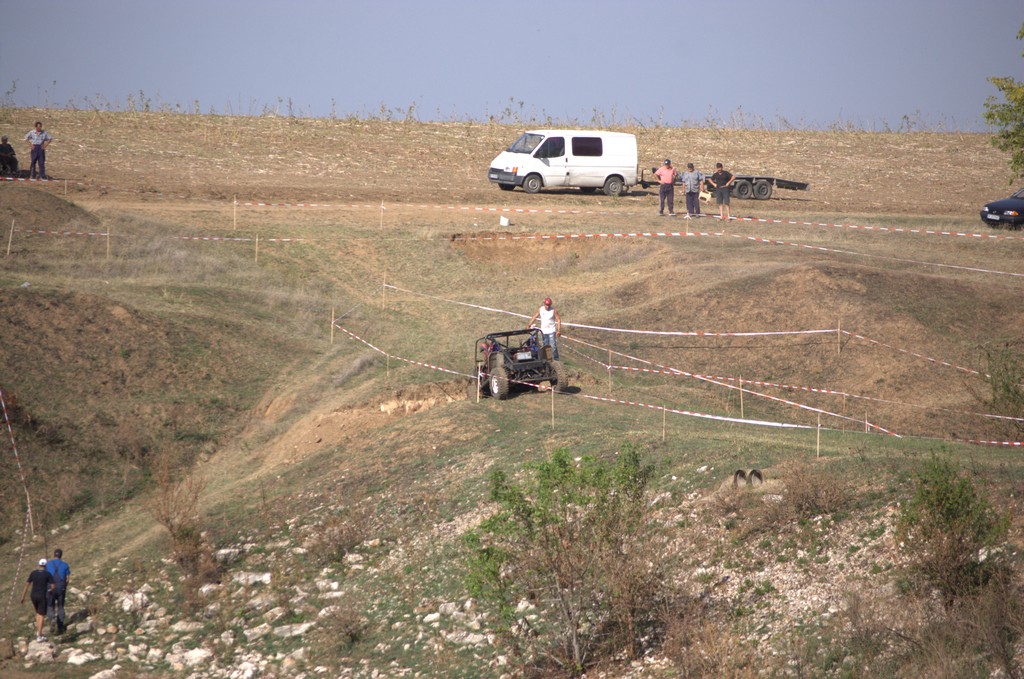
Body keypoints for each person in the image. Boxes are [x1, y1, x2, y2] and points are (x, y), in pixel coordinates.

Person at [21, 558, 54, 642]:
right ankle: (39, 635)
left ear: (39, 565)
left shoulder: (33, 573)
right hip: (42, 596)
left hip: (33, 595)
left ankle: (38, 632)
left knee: (37, 613)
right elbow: (53, 586)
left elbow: (27, 584)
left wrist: (23, 596)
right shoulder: (47, 574)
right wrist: (50, 590)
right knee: (42, 614)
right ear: (46, 565)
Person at [45, 548, 71, 634]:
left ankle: (52, 619)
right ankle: (60, 626)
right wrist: (65, 586)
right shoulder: (65, 565)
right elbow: (68, 578)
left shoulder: (48, 564)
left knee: (50, 605)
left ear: (54, 555)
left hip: (50, 587)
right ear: (61, 555)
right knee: (60, 606)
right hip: (61, 587)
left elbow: (45, 576)